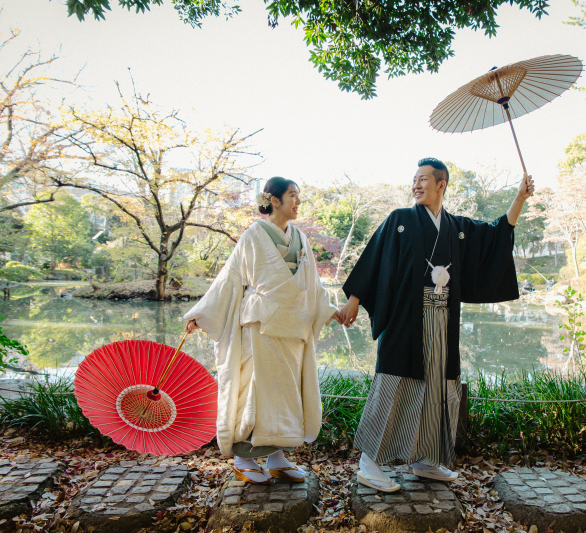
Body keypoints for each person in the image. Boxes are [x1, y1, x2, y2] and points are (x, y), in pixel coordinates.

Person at [339, 158, 534, 492]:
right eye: (414, 179)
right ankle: (369, 462)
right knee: (394, 381)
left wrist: (519, 198)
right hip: (405, 319)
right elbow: (374, 260)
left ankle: (425, 459)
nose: (416, 184)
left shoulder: (457, 228)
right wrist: (354, 300)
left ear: (441, 185)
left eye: (424, 179)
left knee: (437, 389)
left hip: (442, 319)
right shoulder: (399, 220)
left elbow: (496, 236)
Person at [184, 177, 341, 485]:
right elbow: (230, 278)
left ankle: (277, 457)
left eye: (298, 195)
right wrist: (202, 314)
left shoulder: (301, 238)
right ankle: (243, 456)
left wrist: (331, 311)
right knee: (256, 394)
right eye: (293, 195)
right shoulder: (254, 235)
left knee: (287, 396)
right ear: (274, 200)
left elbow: (313, 287)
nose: (297, 201)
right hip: (261, 326)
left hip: (293, 329)